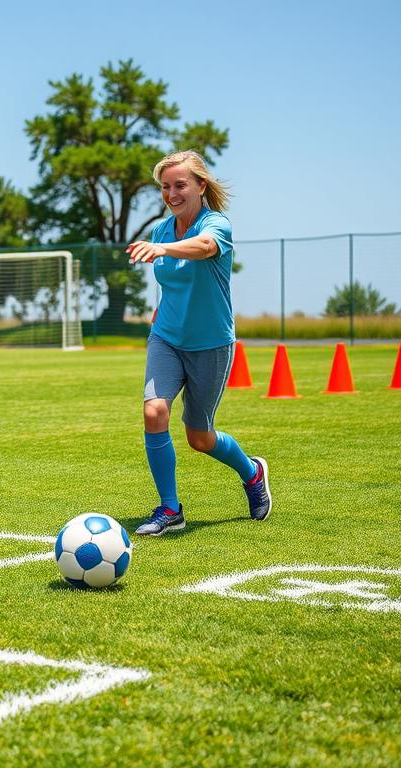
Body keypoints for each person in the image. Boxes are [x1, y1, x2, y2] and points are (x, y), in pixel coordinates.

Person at [125, 151, 271, 535]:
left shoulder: (216, 223)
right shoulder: (161, 229)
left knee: (200, 438)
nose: (171, 194)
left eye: (179, 185)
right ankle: (170, 510)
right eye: (165, 187)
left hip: (211, 344)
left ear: (200, 186)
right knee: (154, 412)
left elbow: (205, 247)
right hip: (166, 338)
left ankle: (252, 472)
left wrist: (163, 249)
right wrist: (161, 244)